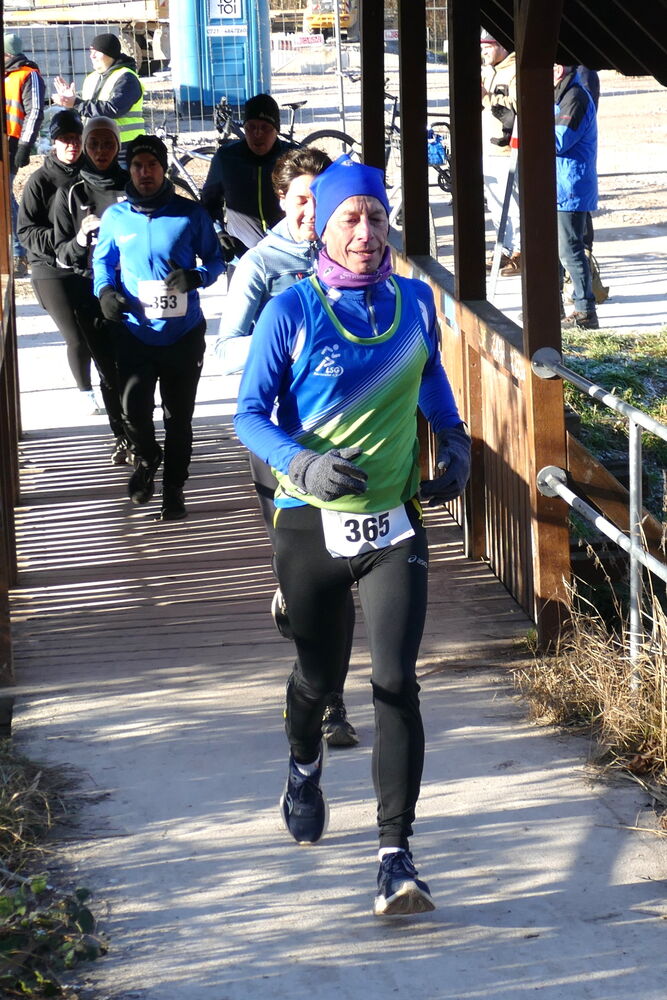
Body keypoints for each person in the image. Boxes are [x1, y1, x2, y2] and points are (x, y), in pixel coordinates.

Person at [234, 155, 471, 916]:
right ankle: (303, 764)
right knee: (319, 678)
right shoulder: (292, 311)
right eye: (349, 218)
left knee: (396, 681)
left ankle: (395, 856)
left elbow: (429, 375)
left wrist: (454, 437)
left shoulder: (413, 300)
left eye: (375, 216)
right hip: (309, 523)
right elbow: (247, 416)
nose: (365, 232)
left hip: (394, 522)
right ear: (322, 228)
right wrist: (301, 461)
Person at [217, 145, 358, 749]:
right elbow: (225, 347)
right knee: (309, 577)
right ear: (282, 200)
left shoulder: (353, 253)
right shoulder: (260, 265)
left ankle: (333, 701)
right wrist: (287, 338)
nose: (311, 212)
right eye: (301, 200)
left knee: (342, 572)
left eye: (320, 200)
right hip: (278, 443)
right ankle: (317, 685)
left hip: (348, 438)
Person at [92, 134, 225, 520]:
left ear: (163, 168)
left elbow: (215, 260)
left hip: (183, 333)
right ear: (129, 170)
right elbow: (102, 262)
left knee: (178, 417)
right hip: (135, 330)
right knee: (134, 411)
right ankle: (148, 457)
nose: (145, 172)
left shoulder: (190, 214)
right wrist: (105, 291)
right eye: (137, 166)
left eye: (152, 165)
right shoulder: (116, 218)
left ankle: (173, 490)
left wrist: (197, 277)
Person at [52, 117, 130, 464]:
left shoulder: (134, 184)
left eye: (108, 143)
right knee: (108, 371)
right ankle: (122, 435)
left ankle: (140, 432)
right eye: (94, 143)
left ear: (117, 146)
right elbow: (61, 254)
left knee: (137, 367)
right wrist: (82, 237)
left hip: (133, 291)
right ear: (85, 146)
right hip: (90, 292)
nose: (101, 150)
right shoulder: (72, 192)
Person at [17, 109, 104, 416]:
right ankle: (85, 391)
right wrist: (63, 241)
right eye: (64, 139)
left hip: (87, 265)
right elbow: (25, 232)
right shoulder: (40, 181)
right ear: (53, 143)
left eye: (76, 138)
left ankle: (112, 384)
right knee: (76, 336)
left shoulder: (92, 174)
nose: (72, 145)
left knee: (101, 330)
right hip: (51, 270)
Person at [201, 93, 294, 262]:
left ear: (277, 130)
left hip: (288, 257)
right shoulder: (226, 158)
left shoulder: (294, 158)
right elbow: (209, 204)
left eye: (265, 127)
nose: (257, 133)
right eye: (251, 127)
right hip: (242, 260)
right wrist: (218, 233)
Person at [554, 64, 599, 329]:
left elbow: (559, 140)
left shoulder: (575, 97)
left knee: (569, 250)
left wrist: (525, 126)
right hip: (555, 184)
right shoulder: (560, 94)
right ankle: (551, 307)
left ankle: (585, 312)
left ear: (559, 69)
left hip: (570, 186)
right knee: (551, 249)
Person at [52, 33, 144, 157]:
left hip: (124, 147)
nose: (92, 56)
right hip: (94, 144)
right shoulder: (91, 78)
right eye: (91, 51)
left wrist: (76, 103)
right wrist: (71, 103)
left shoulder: (126, 78)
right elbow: (87, 112)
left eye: (97, 51)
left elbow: (113, 109)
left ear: (110, 53)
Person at [4, 32, 45, 278]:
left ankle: (20, 252)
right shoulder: (7, 75)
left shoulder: (28, 75)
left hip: (10, 144)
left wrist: (24, 146)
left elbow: (35, 112)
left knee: (5, 199)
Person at [480, 30, 521, 277]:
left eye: (487, 46)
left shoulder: (514, 71)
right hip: (489, 146)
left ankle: (520, 251)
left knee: (513, 204)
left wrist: (489, 98)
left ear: (500, 46)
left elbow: (518, 103)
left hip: (508, 149)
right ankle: (503, 248)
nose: (483, 52)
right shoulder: (487, 71)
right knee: (495, 204)